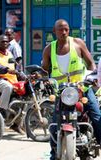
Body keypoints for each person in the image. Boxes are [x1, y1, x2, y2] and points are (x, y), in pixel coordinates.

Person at [41, 19, 101, 160]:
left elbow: (91, 63)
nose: (64, 32)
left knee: (97, 115)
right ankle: (53, 153)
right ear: (54, 31)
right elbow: (44, 69)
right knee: (55, 123)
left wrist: (92, 76)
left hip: (81, 88)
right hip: (61, 92)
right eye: (60, 29)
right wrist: (40, 76)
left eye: (66, 29)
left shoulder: (78, 43)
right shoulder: (49, 49)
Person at [0, 34, 24, 134]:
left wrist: (24, 76)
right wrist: (7, 70)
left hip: (13, 81)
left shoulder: (10, 54)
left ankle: (16, 124)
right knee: (7, 87)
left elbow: (17, 68)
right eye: (2, 41)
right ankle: (2, 111)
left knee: (25, 95)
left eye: (6, 41)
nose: (4, 43)